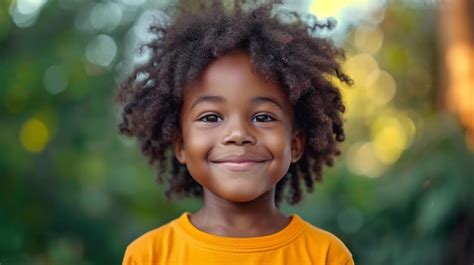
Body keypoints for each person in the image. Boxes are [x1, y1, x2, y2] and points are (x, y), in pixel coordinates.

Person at [116, 1, 354, 264]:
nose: (238, 134)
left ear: (295, 144)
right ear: (181, 145)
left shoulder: (326, 255)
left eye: (263, 117)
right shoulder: (149, 256)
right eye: (211, 117)